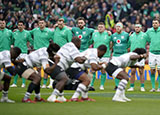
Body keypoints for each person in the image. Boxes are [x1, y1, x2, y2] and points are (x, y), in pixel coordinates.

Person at [47, 37, 86, 102]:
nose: (80, 45)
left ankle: (61, 96)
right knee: (64, 79)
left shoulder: (67, 45)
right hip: (56, 65)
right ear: (78, 43)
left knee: (62, 80)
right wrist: (85, 58)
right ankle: (52, 96)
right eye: (80, 43)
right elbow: (79, 60)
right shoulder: (73, 47)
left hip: (53, 64)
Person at [47, 18, 72, 89]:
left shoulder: (67, 31)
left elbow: (70, 42)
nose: (60, 24)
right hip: (55, 52)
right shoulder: (55, 29)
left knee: (63, 67)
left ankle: (65, 82)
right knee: (54, 66)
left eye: (61, 23)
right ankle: (51, 83)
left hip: (64, 52)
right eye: (59, 22)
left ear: (64, 23)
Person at [30, 18, 54, 88]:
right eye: (40, 23)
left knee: (46, 68)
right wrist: (32, 43)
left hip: (45, 52)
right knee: (38, 69)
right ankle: (39, 83)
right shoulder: (35, 30)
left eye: (42, 23)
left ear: (45, 24)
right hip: (36, 52)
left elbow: (54, 39)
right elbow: (28, 34)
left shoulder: (49, 31)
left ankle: (44, 84)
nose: (41, 24)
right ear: (38, 24)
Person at [89, 22, 112, 90]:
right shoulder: (94, 34)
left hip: (105, 55)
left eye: (101, 27)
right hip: (96, 55)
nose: (100, 28)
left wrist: (109, 50)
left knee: (103, 69)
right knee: (93, 69)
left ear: (104, 28)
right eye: (99, 27)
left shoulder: (108, 34)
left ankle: (101, 85)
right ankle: (91, 84)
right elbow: (91, 42)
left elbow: (111, 43)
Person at [10, 20, 33, 88]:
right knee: (16, 68)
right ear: (17, 26)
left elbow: (31, 41)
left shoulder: (27, 33)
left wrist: (28, 46)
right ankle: (14, 83)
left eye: (21, 25)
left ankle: (23, 83)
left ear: (23, 26)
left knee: (23, 68)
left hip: (23, 52)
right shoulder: (14, 33)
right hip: (15, 53)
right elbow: (12, 42)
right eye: (19, 25)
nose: (20, 26)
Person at [127, 24, 147, 92]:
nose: (137, 28)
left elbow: (150, 41)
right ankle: (131, 86)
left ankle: (142, 86)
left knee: (141, 71)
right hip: (133, 55)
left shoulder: (144, 35)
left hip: (141, 55)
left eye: (138, 27)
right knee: (132, 71)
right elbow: (128, 45)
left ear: (141, 28)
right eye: (136, 27)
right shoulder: (131, 36)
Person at [111, 22, 129, 90]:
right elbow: (111, 44)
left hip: (123, 54)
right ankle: (116, 85)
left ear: (122, 27)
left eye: (119, 26)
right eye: (117, 26)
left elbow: (129, 43)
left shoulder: (126, 35)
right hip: (115, 54)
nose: (118, 28)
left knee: (123, 70)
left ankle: (122, 84)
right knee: (116, 70)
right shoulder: (113, 36)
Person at [144, 19, 160, 92]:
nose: (154, 24)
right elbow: (145, 38)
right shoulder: (149, 31)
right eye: (153, 23)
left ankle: (159, 87)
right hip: (152, 53)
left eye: (156, 23)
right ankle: (153, 87)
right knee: (152, 70)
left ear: (159, 24)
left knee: (159, 71)